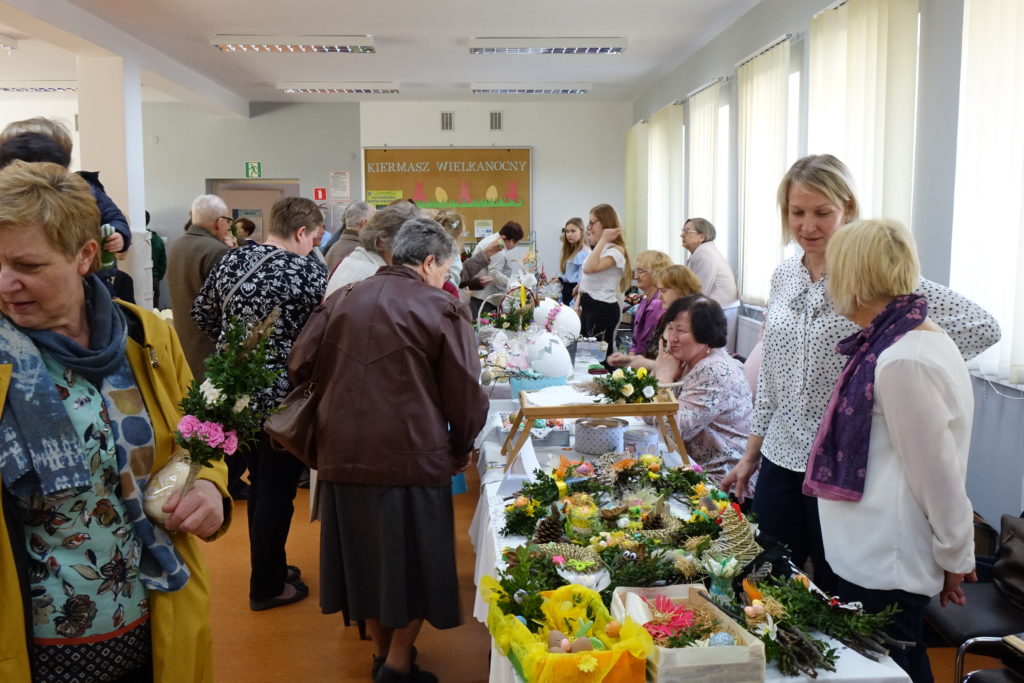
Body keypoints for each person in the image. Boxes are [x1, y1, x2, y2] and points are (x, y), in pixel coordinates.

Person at [721, 154, 1000, 594]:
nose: (808, 226)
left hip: (842, 463)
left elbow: (982, 326)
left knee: (836, 591)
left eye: (821, 212)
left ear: (847, 208)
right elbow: (773, 370)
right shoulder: (784, 275)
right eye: (797, 212)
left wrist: (879, 371)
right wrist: (750, 455)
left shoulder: (870, 275)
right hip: (781, 452)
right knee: (766, 580)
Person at [0, 160, 230, 682]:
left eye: (27, 265)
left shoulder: (144, 335)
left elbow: (199, 435)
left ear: (85, 256)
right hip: (31, 641)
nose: (5, 283)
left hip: (153, 613)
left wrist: (209, 486)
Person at [289, 217, 488, 683]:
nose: (444, 278)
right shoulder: (441, 308)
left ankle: (383, 655)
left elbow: (299, 363)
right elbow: (465, 393)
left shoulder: (343, 298)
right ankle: (398, 664)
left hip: (341, 455)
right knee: (417, 564)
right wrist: (461, 446)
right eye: (445, 269)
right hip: (412, 457)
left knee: (365, 563)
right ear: (429, 262)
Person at [807, 219, 976, 683]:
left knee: (893, 670)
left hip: (887, 557)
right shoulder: (900, 339)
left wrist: (956, 556)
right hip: (872, 551)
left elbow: (937, 475)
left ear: (853, 277)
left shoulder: (905, 358)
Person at [193, 196, 327, 612]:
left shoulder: (231, 260)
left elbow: (203, 315)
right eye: (314, 238)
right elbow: (321, 337)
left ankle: (272, 567)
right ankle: (267, 586)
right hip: (281, 401)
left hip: (231, 391)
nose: (313, 245)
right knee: (275, 491)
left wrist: (238, 347)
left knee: (255, 483)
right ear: (301, 232)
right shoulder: (307, 272)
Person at [0, 124, 132, 296]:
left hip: (95, 276)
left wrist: (120, 235)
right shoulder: (7, 203)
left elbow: (114, 217)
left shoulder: (84, 192)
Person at [651, 295, 752, 485]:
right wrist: (660, 373)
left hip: (719, 480)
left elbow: (671, 432)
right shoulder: (685, 361)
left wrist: (663, 380)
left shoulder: (714, 369)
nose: (672, 338)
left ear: (706, 334)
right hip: (686, 465)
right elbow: (646, 412)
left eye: (681, 330)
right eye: (670, 328)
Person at [166, 194, 231, 376]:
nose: (228, 227)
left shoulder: (178, 245)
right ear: (219, 222)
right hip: (209, 350)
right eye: (228, 221)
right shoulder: (216, 251)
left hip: (184, 342)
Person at [608, 264, 702, 370]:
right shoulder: (664, 319)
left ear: (681, 292)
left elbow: (680, 370)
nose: (659, 296)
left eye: (664, 291)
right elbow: (652, 357)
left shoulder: (691, 326)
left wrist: (641, 362)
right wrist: (628, 360)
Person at [325, 201, 419, 299]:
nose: (407, 259)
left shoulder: (356, 259)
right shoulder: (375, 277)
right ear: (381, 243)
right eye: (403, 249)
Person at [579, 203, 632, 365]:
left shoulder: (616, 250)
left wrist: (603, 239)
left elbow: (589, 268)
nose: (589, 227)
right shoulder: (601, 248)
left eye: (592, 222)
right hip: (589, 305)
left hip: (602, 308)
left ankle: (607, 380)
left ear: (605, 223)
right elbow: (586, 279)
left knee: (599, 359)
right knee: (586, 357)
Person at [682, 217, 741, 350]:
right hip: (718, 308)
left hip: (720, 309)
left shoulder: (704, 253)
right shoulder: (701, 252)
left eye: (687, 231)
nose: (682, 234)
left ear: (701, 237)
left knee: (715, 352)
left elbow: (699, 290)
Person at [469, 221, 525, 318]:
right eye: (516, 242)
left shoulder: (493, 240)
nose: (515, 245)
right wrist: (513, 284)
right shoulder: (498, 246)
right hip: (483, 297)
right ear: (511, 240)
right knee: (482, 325)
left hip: (479, 294)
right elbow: (494, 273)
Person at [325, 201, 376, 273]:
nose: (376, 225)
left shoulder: (333, 247)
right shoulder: (362, 251)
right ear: (364, 223)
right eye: (374, 221)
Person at [558, 217, 588, 306]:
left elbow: (582, 281)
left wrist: (576, 302)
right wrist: (559, 279)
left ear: (581, 231)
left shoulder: (584, 253)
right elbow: (570, 273)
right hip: (567, 291)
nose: (569, 234)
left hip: (575, 293)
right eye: (567, 231)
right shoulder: (571, 250)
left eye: (573, 231)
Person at [146, 211, 168, 308]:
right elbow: (163, 263)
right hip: (154, 278)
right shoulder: (158, 240)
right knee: (154, 309)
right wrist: (157, 277)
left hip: (136, 277)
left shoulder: (131, 239)